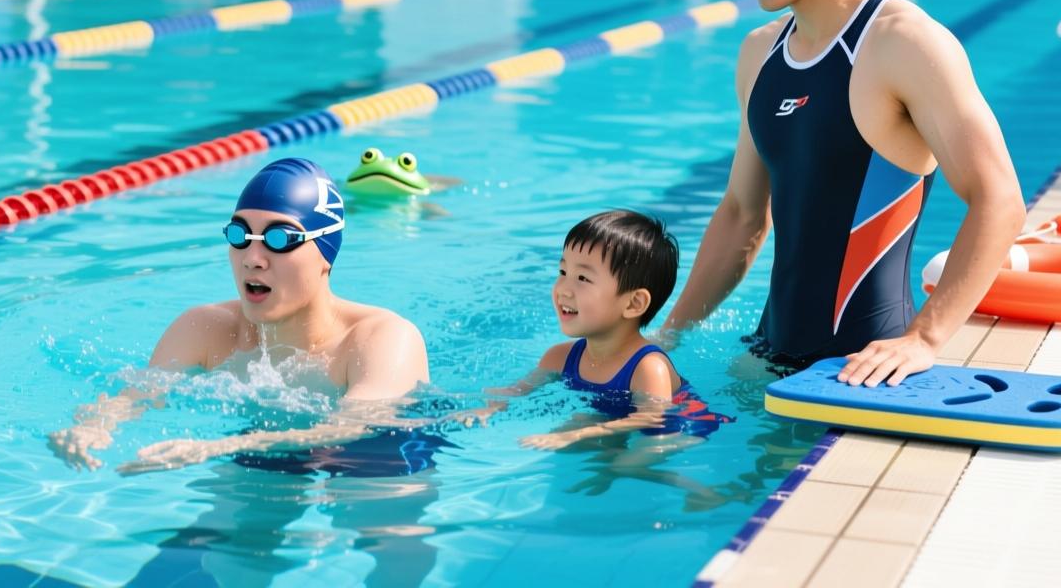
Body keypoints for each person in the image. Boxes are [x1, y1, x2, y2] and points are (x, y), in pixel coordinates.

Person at [660, 0, 1025, 387]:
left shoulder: (903, 44)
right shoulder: (760, 54)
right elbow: (741, 215)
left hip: (861, 371)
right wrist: (668, 338)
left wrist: (925, 339)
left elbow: (998, 197)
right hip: (766, 355)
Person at [48, 157, 431, 472]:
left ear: (325, 254)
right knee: (229, 540)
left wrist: (215, 446)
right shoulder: (204, 329)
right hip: (262, 446)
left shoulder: (382, 338)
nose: (252, 259)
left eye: (280, 239)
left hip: (381, 453)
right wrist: (93, 425)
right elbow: (136, 395)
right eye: (240, 236)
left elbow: (352, 426)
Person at [499, 209, 730, 450]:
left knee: (625, 465)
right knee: (575, 431)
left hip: (681, 427)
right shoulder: (558, 357)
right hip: (616, 418)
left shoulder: (649, 368)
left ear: (633, 304)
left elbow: (652, 417)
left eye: (583, 279)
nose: (563, 290)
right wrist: (488, 409)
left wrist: (579, 435)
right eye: (563, 272)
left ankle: (699, 489)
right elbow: (515, 392)